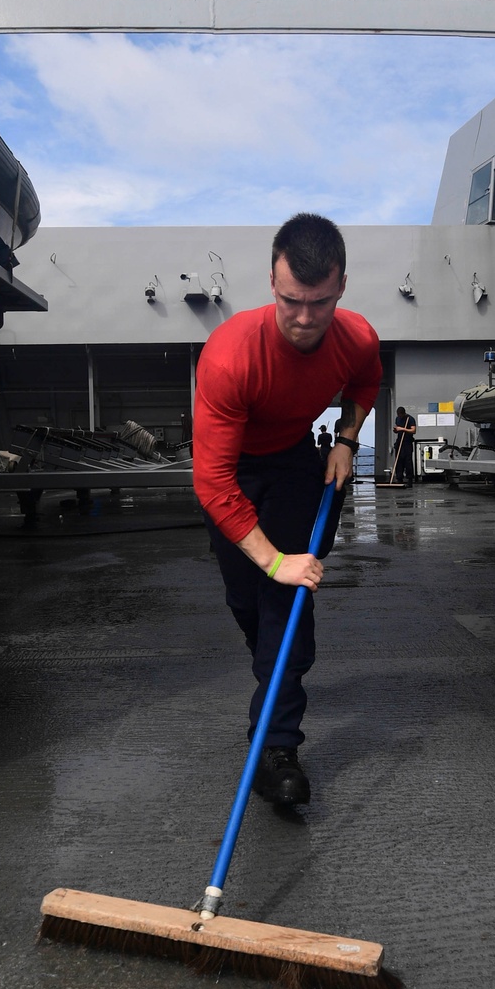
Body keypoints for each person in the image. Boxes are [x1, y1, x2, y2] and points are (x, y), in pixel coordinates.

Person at [192, 213, 381, 805]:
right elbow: (214, 483)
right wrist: (271, 560)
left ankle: (276, 746)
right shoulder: (230, 357)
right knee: (249, 600)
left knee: (285, 603)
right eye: (291, 301)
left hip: (298, 462)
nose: (303, 319)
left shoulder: (357, 337)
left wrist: (347, 440)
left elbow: (365, 384)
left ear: (341, 287)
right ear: (272, 284)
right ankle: (273, 663)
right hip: (235, 470)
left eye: (318, 303)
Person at [392, 406, 416, 485]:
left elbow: (413, 430)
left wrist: (402, 429)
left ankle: (409, 479)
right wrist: (396, 430)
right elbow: (398, 429)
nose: (399, 416)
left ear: (403, 413)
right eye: (398, 415)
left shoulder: (410, 419)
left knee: (408, 461)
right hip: (399, 442)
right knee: (399, 460)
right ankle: (399, 478)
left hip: (407, 442)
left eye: (400, 415)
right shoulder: (397, 419)